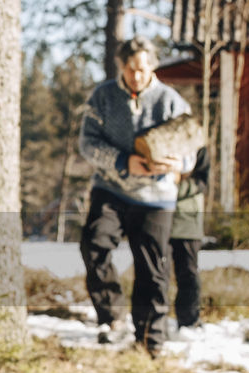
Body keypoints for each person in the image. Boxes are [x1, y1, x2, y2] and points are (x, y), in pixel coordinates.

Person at [78, 36, 195, 356]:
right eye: (130, 69)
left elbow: (191, 151)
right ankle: (112, 316)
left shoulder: (172, 101)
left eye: (142, 69)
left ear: (152, 66)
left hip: (156, 197)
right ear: (121, 66)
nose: (136, 75)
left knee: (153, 269)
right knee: (94, 245)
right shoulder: (102, 97)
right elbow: (87, 144)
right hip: (112, 188)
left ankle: (150, 339)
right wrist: (122, 162)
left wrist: (179, 163)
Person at [171, 146, 209, 332]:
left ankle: (189, 322)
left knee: (188, 273)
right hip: (155, 217)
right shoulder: (156, 138)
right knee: (154, 274)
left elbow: (202, 180)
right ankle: (151, 321)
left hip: (187, 221)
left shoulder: (197, 146)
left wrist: (172, 186)